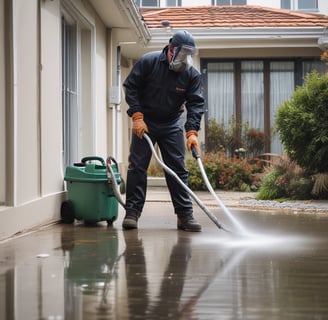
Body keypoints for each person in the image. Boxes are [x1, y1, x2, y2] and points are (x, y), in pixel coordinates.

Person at [122, 30, 204, 232]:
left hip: (171, 122)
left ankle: (185, 215)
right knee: (137, 167)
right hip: (145, 121)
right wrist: (137, 115)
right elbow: (130, 86)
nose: (184, 59)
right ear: (170, 49)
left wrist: (192, 130)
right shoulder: (149, 62)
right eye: (181, 53)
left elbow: (195, 103)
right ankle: (132, 212)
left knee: (178, 169)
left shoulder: (191, 74)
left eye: (188, 54)